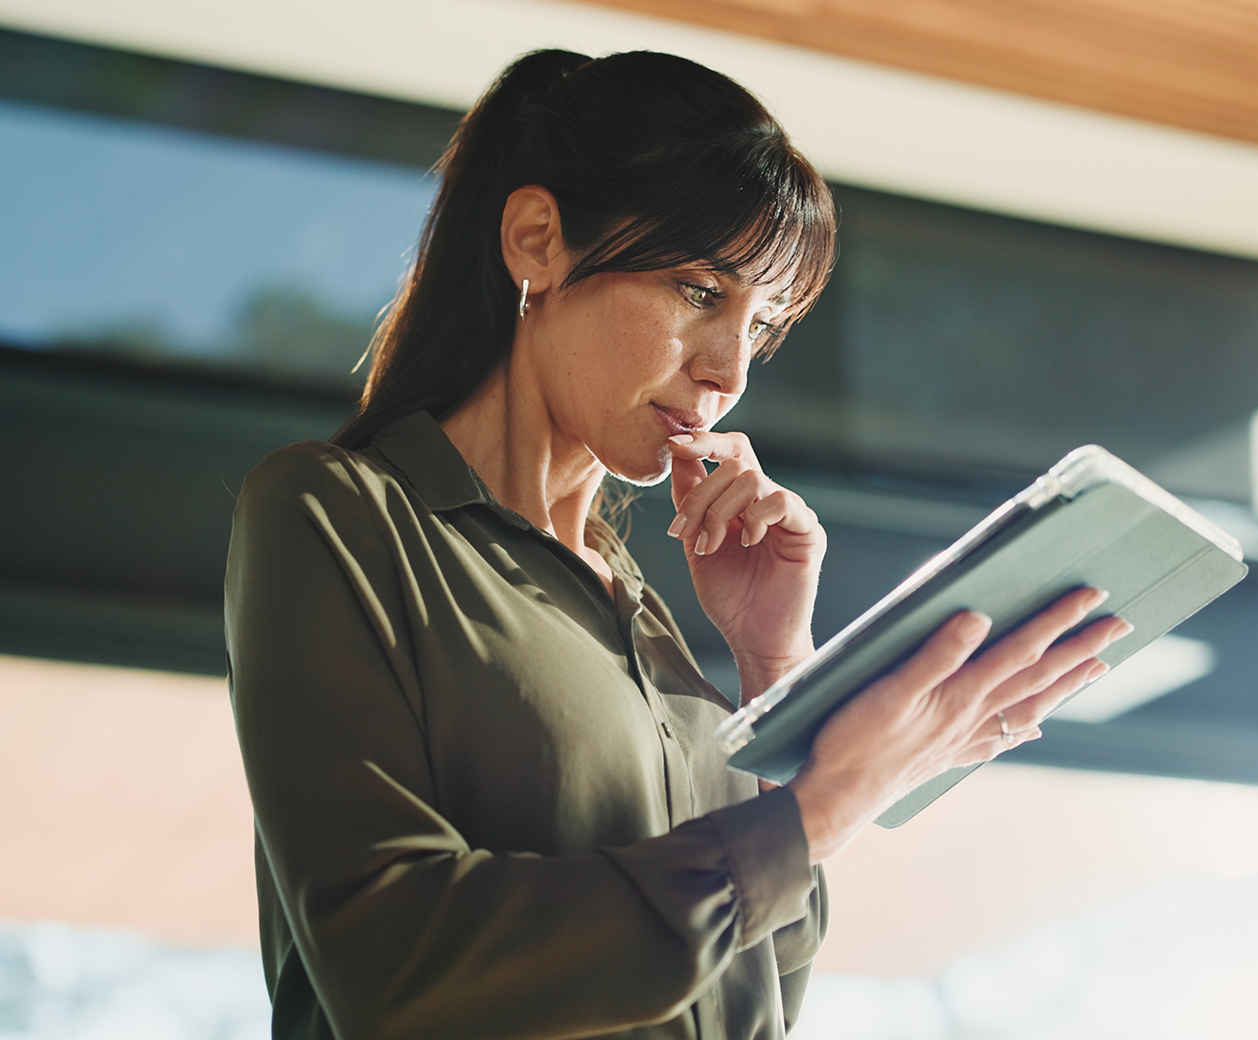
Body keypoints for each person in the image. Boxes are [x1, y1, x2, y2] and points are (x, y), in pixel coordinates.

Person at [224, 49, 1130, 1040]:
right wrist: (827, 804)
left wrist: (774, 671)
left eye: (762, 324)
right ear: (536, 242)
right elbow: (391, 963)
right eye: (700, 291)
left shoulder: (642, 612)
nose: (728, 371)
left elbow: (760, 995)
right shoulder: (338, 511)